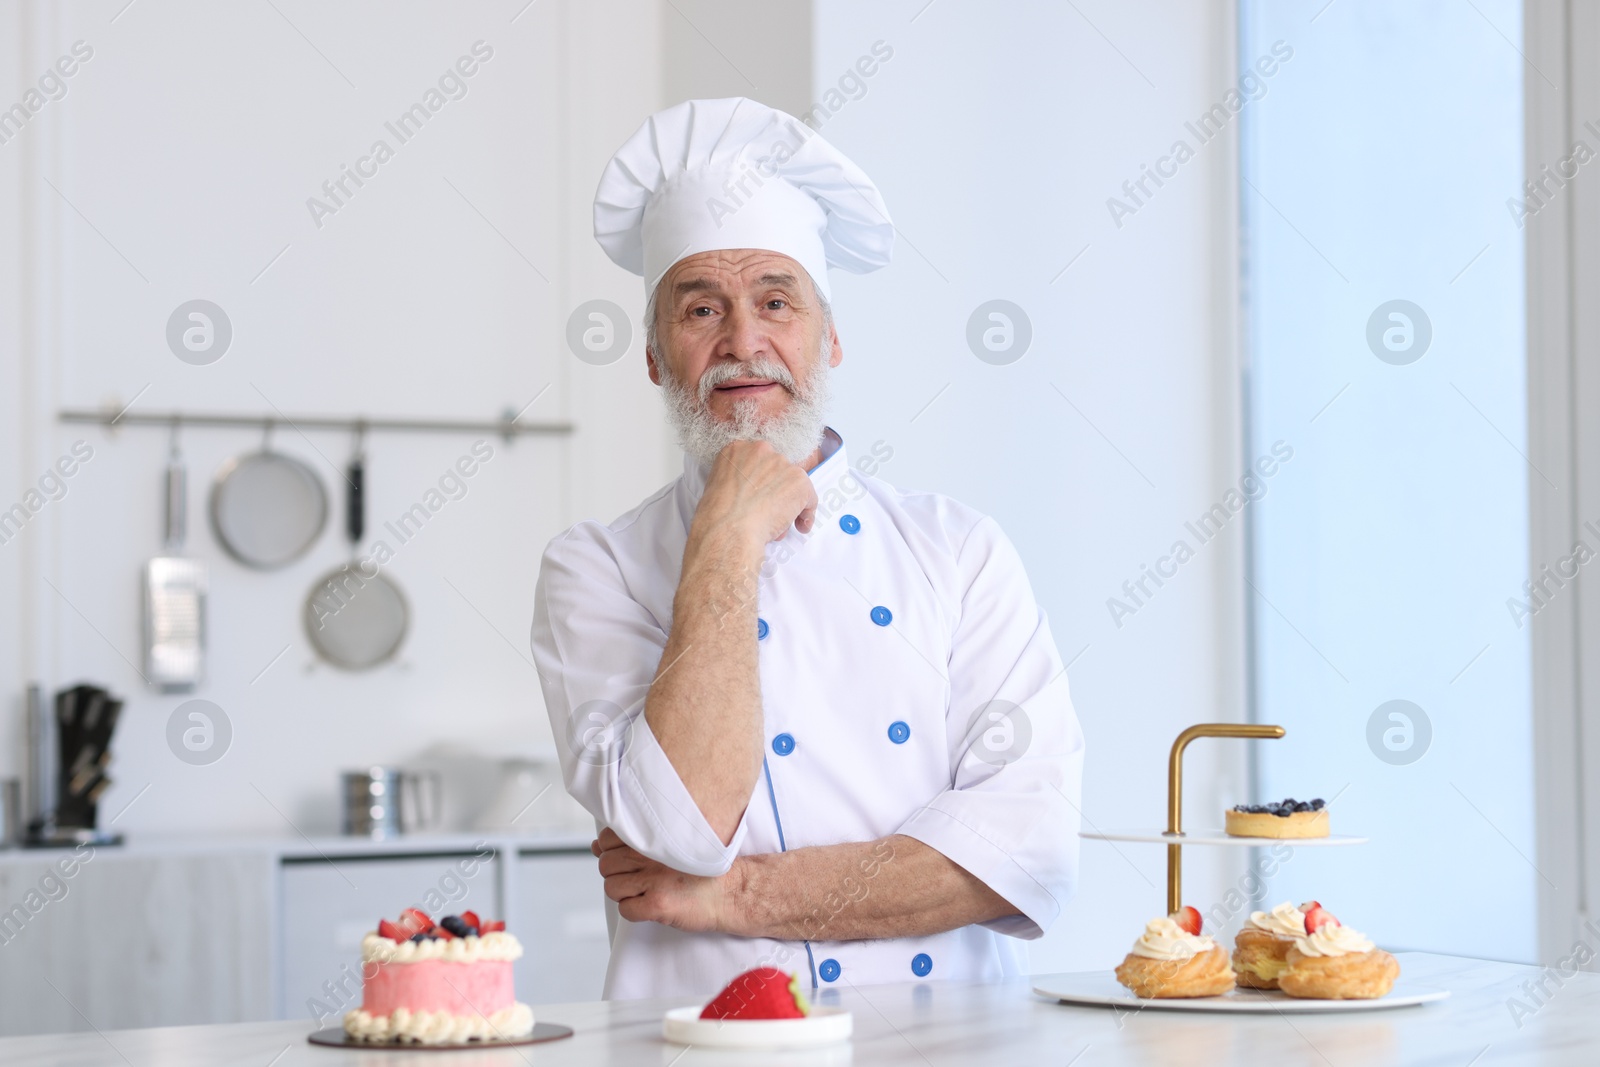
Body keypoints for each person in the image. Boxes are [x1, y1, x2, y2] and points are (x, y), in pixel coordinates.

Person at [531, 97, 1084, 1000]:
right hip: (702, 1050)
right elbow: (683, 822)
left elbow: (1025, 856)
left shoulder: (960, 551)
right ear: (653, 357)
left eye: (775, 301)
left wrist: (734, 891)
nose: (741, 341)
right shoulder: (594, 567)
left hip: (946, 1047)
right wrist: (728, 532)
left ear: (829, 337)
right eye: (700, 307)